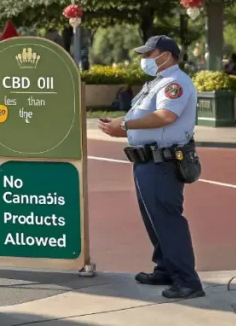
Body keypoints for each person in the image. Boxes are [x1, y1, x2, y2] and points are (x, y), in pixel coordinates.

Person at [97, 35, 204, 300]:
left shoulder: (175, 83)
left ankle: (187, 281)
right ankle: (165, 269)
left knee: (167, 220)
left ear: (166, 55)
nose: (144, 59)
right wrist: (119, 123)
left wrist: (125, 125)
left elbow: (165, 116)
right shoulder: (156, 83)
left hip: (162, 162)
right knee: (153, 219)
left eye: (149, 54)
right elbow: (140, 117)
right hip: (147, 160)